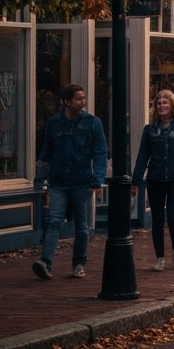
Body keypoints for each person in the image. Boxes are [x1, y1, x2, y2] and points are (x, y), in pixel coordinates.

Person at [32, 84, 107, 280]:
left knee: (82, 225)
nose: (83, 101)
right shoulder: (54, 123)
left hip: (81, 181)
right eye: (79, 98)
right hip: (57, 182)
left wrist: (97, 179)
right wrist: (40, 180)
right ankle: (46, 263)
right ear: (67, 102)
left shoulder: (92, 123)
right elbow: (47, 152)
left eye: (84, 98)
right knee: (53, 221)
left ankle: (79, 263)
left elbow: (100, 153)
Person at [132, 89, 174, 271]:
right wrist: (136, 181)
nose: (162, 106)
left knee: (172, 216)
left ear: (172, 105)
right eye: (159, 103)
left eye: (165, 103)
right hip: (155, 178)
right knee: (157, 219)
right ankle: (159, 257)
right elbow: (142, 156)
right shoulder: (150, 130)